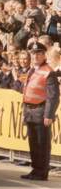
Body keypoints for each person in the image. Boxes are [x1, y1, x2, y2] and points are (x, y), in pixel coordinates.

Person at [21, 42, 59, 181]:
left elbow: (53, 96)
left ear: (44, 55)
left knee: (42, 144)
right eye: (32, 54)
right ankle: (35, 169)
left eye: (38, 53)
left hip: (41, 111)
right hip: (30, 111)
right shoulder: (33, 69)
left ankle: (42, 172)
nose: (35, 56)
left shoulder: (49, 72)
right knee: (33, 142)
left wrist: (48, 114)